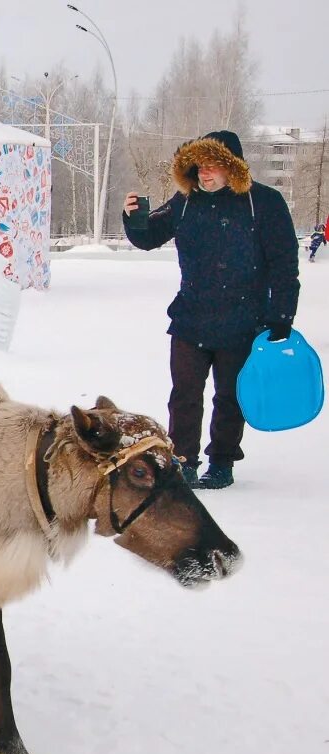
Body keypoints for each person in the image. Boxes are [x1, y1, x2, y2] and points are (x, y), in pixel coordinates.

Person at [123, 130, 300, 490]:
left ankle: (221, 462)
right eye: (200, 166)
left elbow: (284, 263)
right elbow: (148, 237)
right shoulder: (185, 201)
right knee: (184, 394)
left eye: (214, 165)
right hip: (191, 317)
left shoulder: (263, 203)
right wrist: (134, 219)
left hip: (243, 319)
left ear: (233, 167)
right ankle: (183, 461)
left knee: (230, 397)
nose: (205, 173)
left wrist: (281, 316)